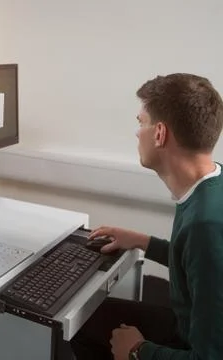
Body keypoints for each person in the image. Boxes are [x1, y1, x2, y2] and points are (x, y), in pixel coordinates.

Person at [70, 73, 223, 360]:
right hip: (189, 325)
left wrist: (139, 351)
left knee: (81, 329)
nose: (136, 132)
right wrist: (142, 241)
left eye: (141, 123)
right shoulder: (211, 184)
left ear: (159, 133)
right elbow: (194, 263)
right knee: (86, 320)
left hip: (191, 345)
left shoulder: (207, 225)